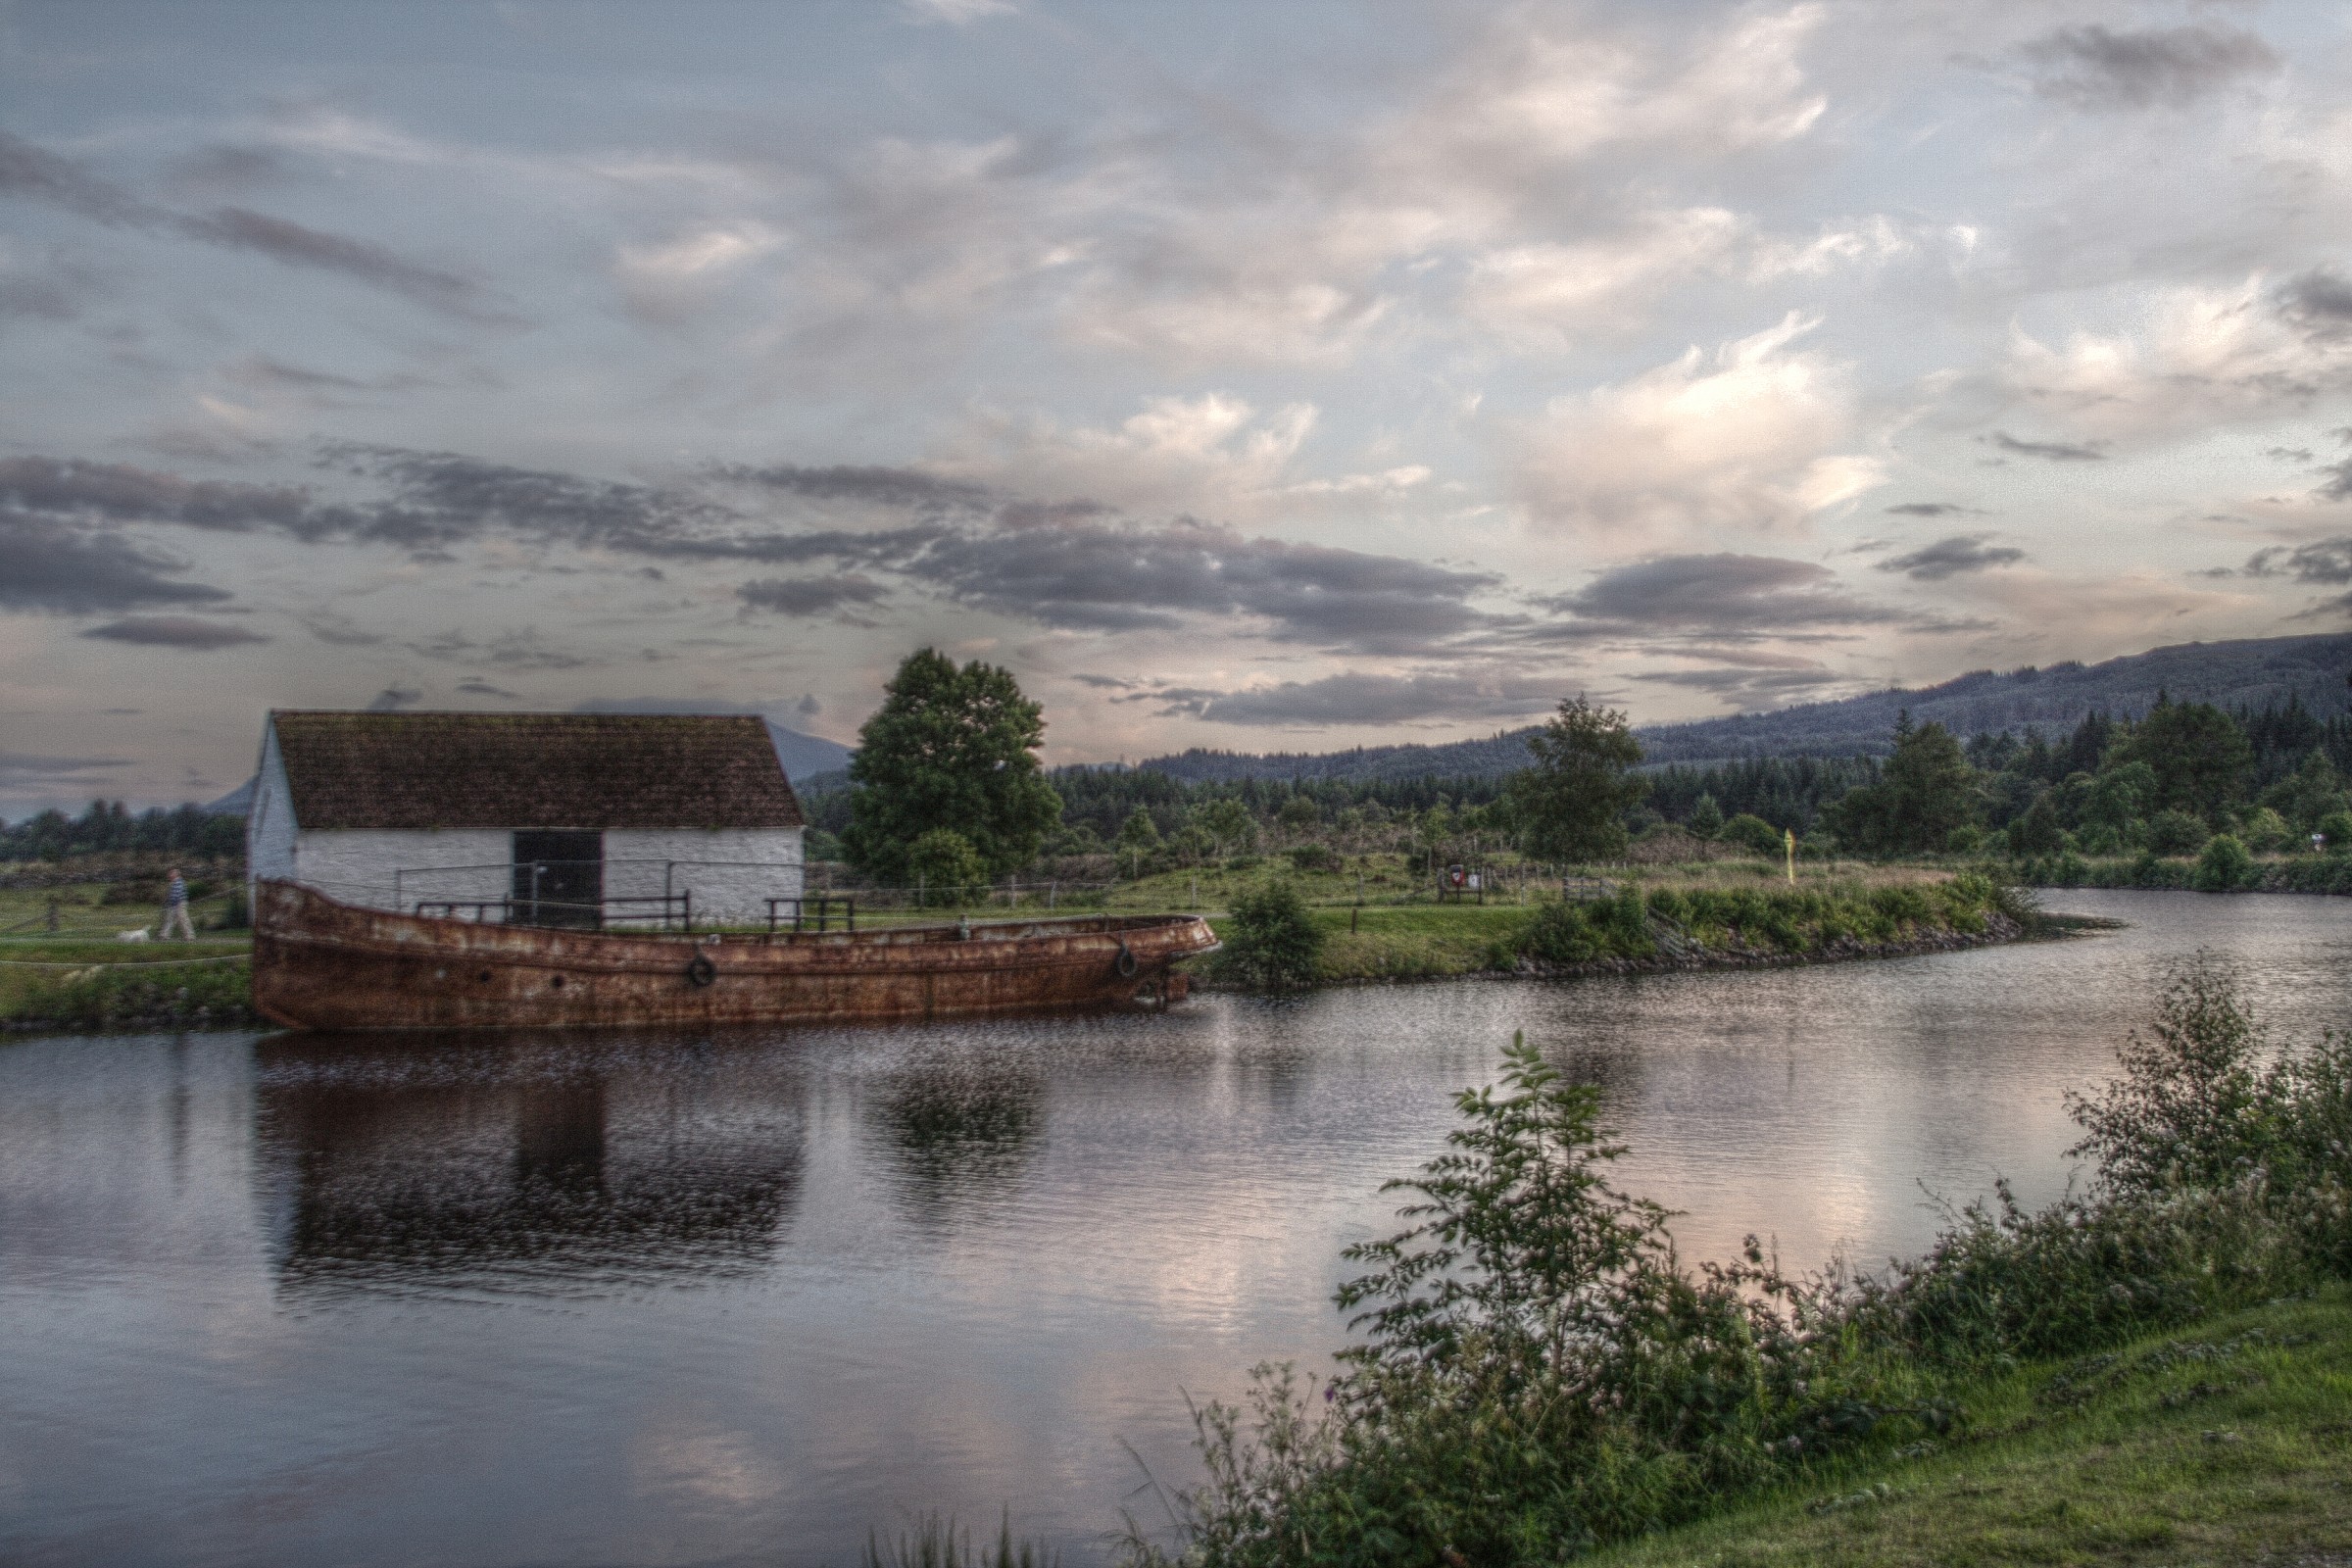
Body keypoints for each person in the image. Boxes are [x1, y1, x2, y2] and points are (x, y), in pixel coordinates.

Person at [161, 867, 195, 940]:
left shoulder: (179, 882)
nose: (169, 875)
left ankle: (189, 936)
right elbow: (171, 894)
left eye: (171, 874)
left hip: (179, 903)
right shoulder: (174, 883)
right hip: (173, 904)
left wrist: (171, 902)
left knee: (183, 919)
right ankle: (164, 935)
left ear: (175, 875)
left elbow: (177, 894)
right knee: (169, 919)